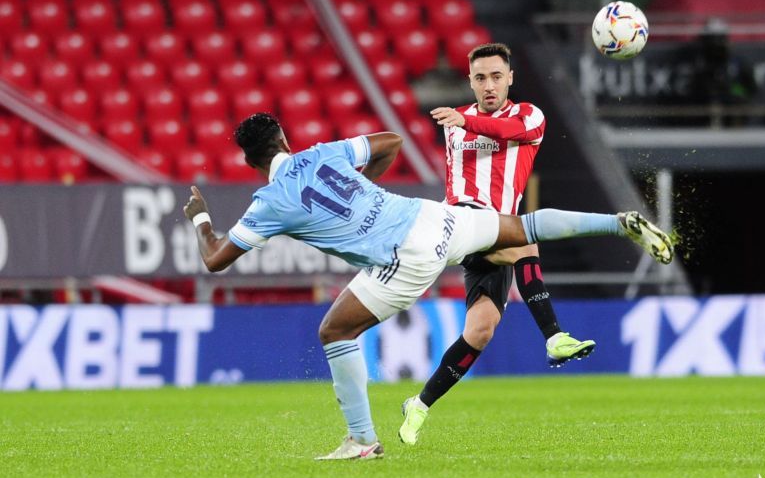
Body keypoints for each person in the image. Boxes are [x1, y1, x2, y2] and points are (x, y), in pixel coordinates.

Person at [183, 112, 674, 460]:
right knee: (519, 228)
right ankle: (617, 222)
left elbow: (215, 259)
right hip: (431, 216)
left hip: (404, 258)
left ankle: (360, 440)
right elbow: (390, 141)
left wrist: (201, 218)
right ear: (286, 139)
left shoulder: (268, 203)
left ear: (250, 161)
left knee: (335, 332)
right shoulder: (321, 153)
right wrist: (368, 188)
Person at [398, 43, 596, 446]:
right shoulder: (459, 123)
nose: (488, 85)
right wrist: (465, 123)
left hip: (495, 230)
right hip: (461, 222)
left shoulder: (529, 117)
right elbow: (478, 158)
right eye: (480, 78)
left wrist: (467, 123)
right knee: (526, 241)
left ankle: (418, 405)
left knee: (481, 330)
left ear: (510, 78)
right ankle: (555, 337)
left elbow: (508, 131)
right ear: (470, 82)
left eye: (495, 76)